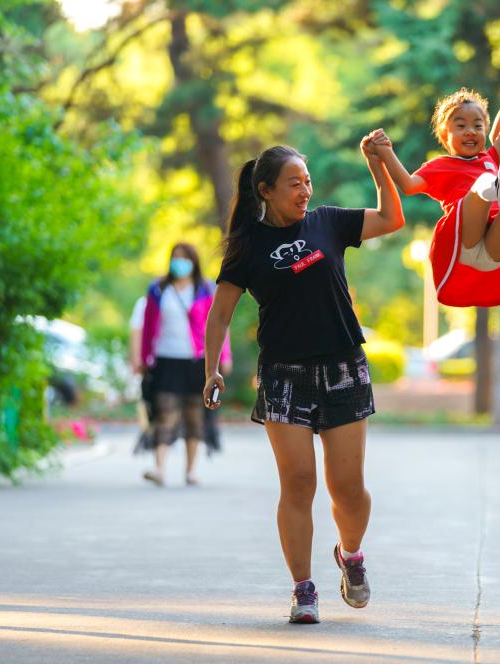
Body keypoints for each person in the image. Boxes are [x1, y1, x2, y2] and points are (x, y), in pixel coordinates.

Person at [203, 137, 404, 625]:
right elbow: (220, 313)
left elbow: (390, 218)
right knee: (297, 483)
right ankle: (303, 588)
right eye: (294, 183)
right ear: (266, 190)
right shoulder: (248, 246)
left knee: (348, 489)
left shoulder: (328, 222)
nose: (305, 191)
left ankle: (350, 554)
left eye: (307, 181)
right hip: (284, 375)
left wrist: (378, 164)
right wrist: (210, 369)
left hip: (342, 367)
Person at [368, 78, 500, 307]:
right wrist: (385, 152)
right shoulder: (440, 166)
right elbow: (408, 185)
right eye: (461, 126)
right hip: (466, 241)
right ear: (445, 136)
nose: (470, 132)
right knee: (485, 183)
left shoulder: (491, 158)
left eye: (478, 126)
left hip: (493, 257)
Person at [135, 243, 231, 487]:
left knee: (194, 414)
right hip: (165, 359)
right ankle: (159, 469)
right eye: (175, 257)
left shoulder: (206, 289)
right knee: (164, 412)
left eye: (184, 258)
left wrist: (224, 357)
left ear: (194, 261)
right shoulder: (158, 289)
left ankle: (190, 471)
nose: (180, 262)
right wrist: (144, 358)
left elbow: (220, 324)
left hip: (197, 360)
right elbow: (147, 327)